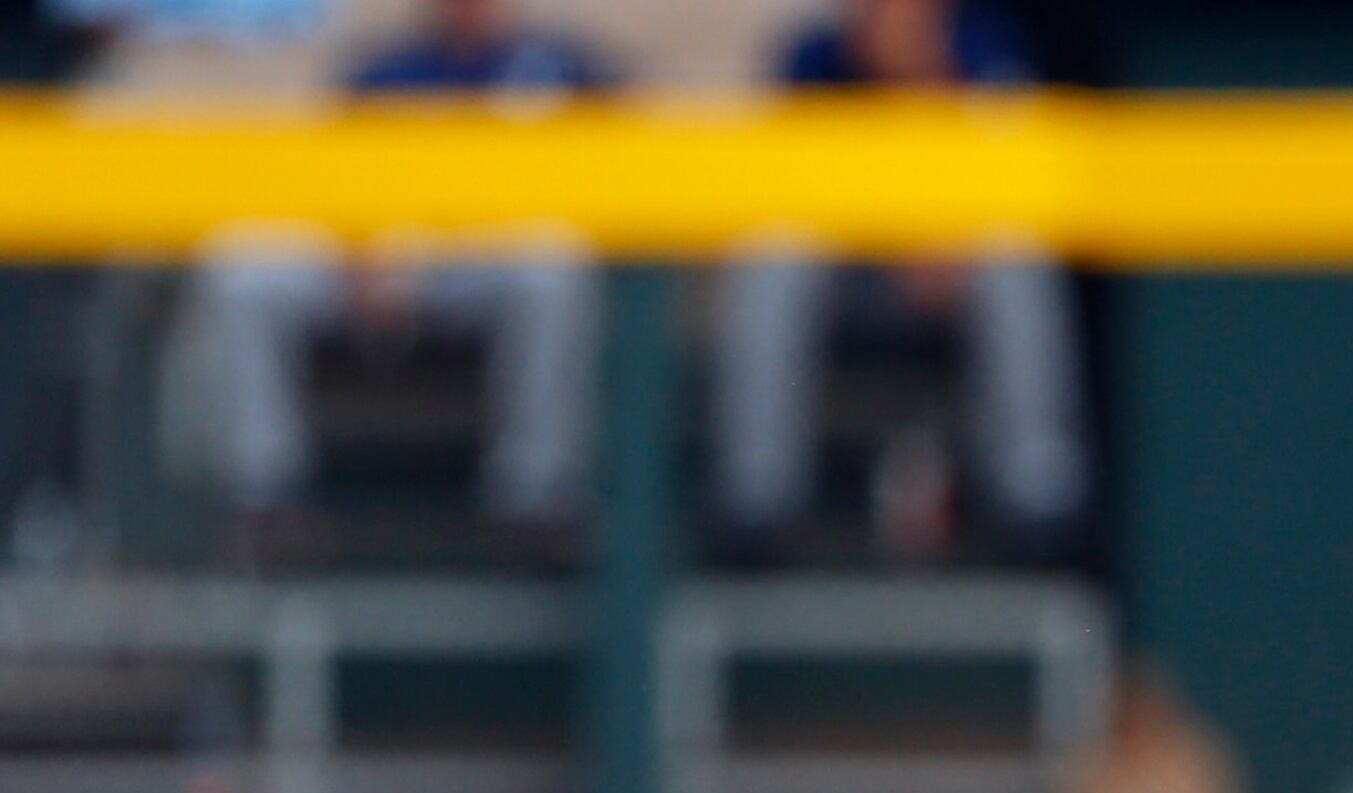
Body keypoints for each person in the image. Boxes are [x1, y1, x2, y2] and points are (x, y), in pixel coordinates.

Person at [188, 0, 611, 552]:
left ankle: (534, 499)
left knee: (551, 267)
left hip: (492, 251)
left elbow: (632, 156)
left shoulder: (560, 65)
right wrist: (361, 250)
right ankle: (265, 495)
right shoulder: (386, 70)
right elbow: (334, 182)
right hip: (385, 254)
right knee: (244, 269)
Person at [710, 0, 1089, 559]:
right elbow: (782, 185)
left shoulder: (987, 41)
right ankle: (757, 503)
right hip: (851, 269)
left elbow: (1017, 173)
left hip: (958, 259)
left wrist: (922, 76)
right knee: (774, 257)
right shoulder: (815, 56)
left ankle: (1038, 501)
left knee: (1017, 257)